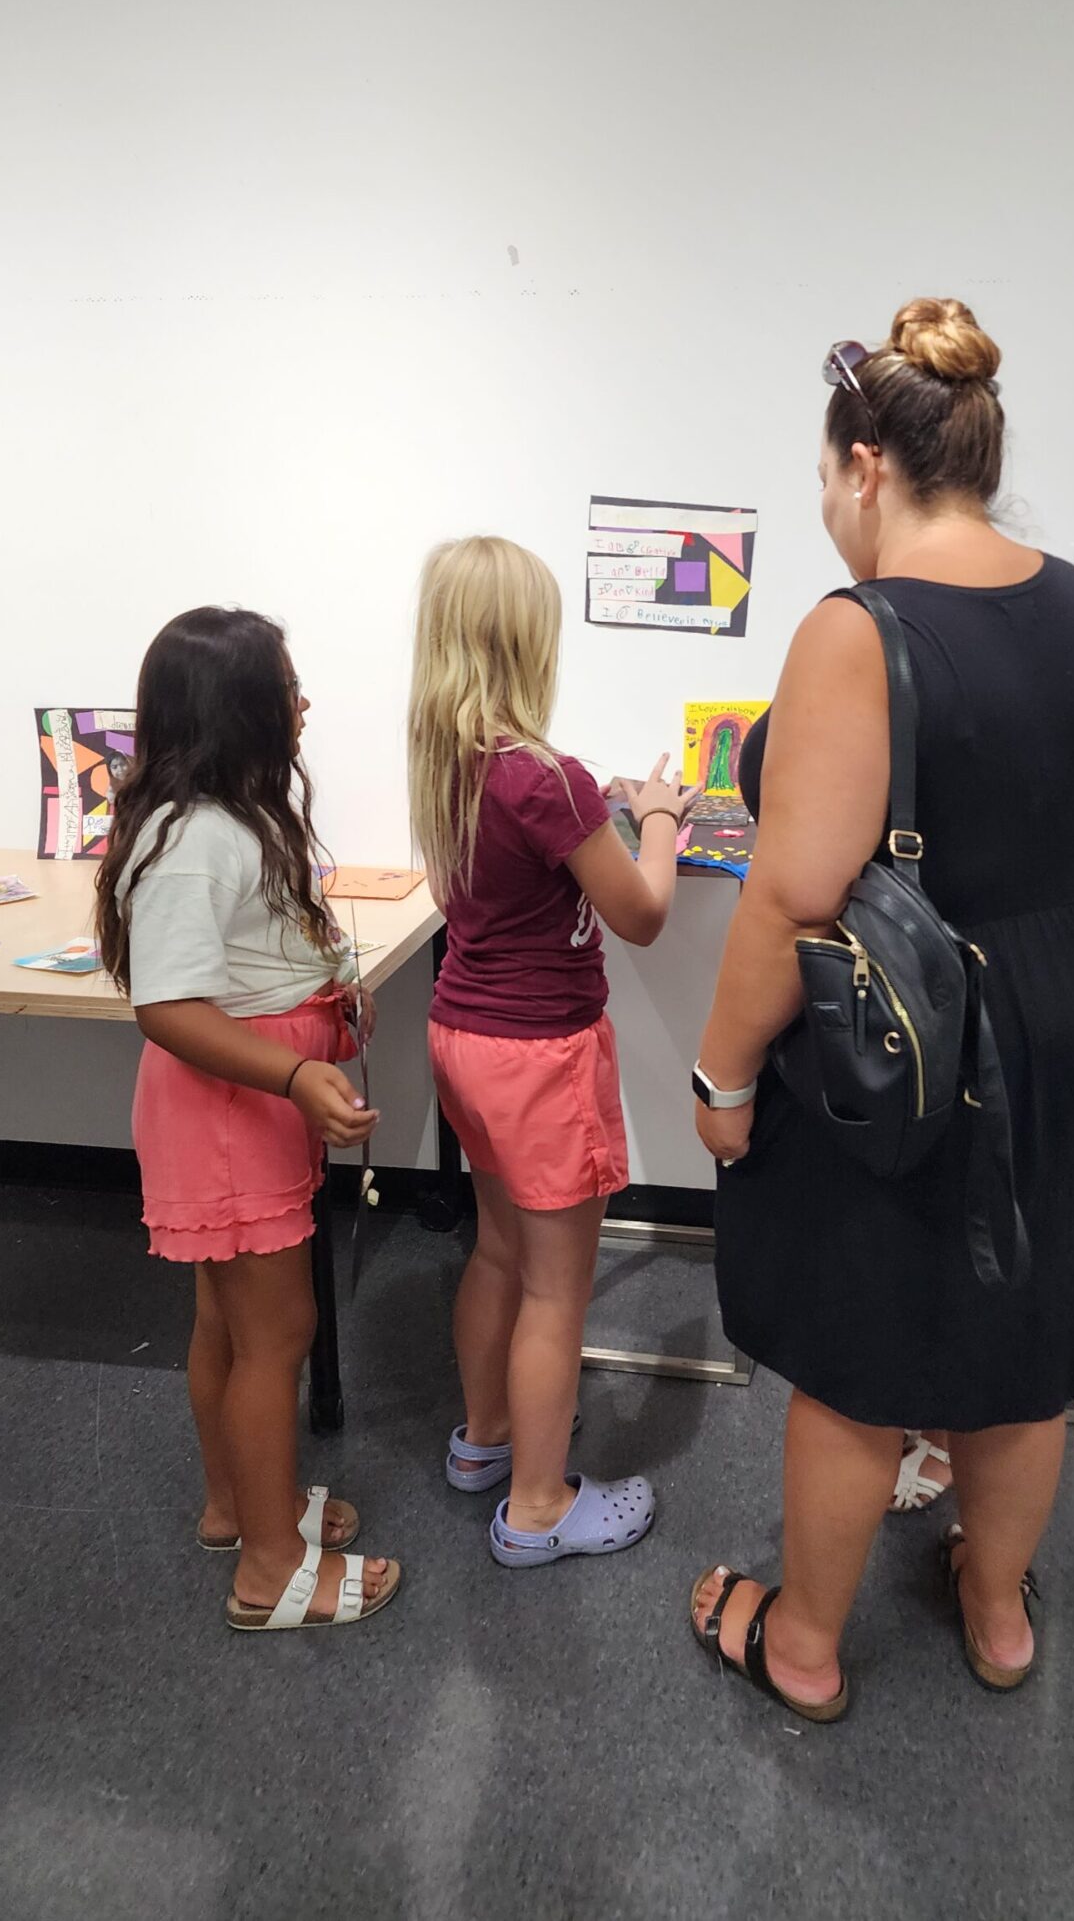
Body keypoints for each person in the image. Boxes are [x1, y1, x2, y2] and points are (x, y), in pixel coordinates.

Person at [687, 298, 1074, 1716]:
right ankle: (996, 1611)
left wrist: (719, 1078)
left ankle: (808, 1645)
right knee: (1023, 1319)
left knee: (859, 1343)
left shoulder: (856, 630)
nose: (827, 505)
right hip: (1058, 1014)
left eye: (824, 478)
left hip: (901, 1031)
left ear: (867, 466)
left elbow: (794, 897)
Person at [94, 606, 400, 1633]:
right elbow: (169, 1008)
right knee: (278, 1336)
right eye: (286, 686)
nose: (302, 702)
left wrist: (325, 995)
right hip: (229, 1114)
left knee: (229, 1323)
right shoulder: (195, 842)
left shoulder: (232, 819)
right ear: (237, 711)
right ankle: (271, 1567)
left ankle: (238, 1505)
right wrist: (292, 1077)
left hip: (243, 1112)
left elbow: (248, 961)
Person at [408, 536, 700, 1566]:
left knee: (497, 1251)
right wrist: (656, 820)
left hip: (463, 1039)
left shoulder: (446, 762)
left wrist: (603, 816)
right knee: (555, 1289)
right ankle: (538, 1505)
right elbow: (644, 915)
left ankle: (485, 1441)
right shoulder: (547, 780)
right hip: (540, 1057)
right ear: (526, 640)